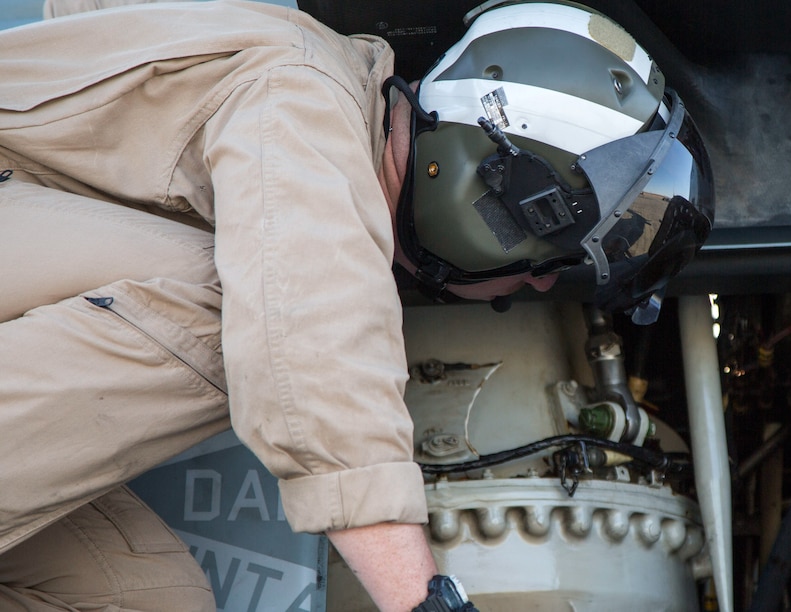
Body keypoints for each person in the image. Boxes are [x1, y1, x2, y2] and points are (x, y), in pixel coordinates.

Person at [0, 0, 713, 609]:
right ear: (486, 191)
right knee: (242, 308)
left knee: (144, 597)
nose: (540, 287)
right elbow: (310, 326)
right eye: (547, 263)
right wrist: (420, 600)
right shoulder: (303, 92)